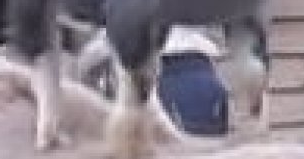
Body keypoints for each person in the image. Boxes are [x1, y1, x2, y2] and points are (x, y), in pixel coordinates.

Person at [73, 25, 231, 138]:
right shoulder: (195, 23)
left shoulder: (126, 20)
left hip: (165, 88)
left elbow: (88, 62)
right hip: (206, 83)